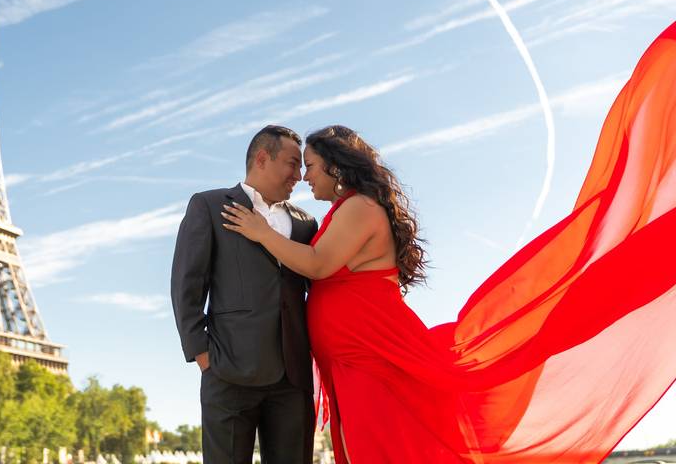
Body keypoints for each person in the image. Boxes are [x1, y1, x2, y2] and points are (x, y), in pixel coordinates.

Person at [220, 25, 676, 463]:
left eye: (313, 166)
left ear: (337, 168)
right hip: (354, 362)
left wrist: (260, 232)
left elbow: (318, 265)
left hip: (372, 360)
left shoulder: (359, 207)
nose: (306, 176)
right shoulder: (343, 211)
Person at [171, 125, 318, 464]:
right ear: (263, 158)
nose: (299, 174)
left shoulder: (306, 224)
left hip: (293, 380)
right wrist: (202, 355)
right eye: (292, 163)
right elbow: (186, 286)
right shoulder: (209, 205)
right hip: (228, 374)